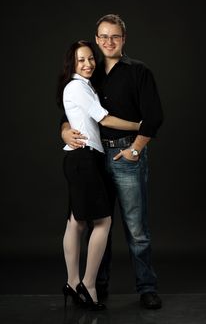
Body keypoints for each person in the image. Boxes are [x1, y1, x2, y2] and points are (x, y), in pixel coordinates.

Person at [61, 14, 163, 309]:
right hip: (93, 158)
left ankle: (146, 287)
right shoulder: (88, 73)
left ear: (123, 39)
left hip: (125, 155)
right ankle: (96, 284)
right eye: (103, 37)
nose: (108, 42)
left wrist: (136, 148)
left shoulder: (138, 71)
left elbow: (154, 117)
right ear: (96, 39)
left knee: (136, 228)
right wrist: (66, 131)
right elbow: (68, 115)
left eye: (114, 37)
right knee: (98, 223)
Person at [56, 40, 141, 310]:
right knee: (102, 222)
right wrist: (140, 125)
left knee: (76, 223)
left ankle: (72, 283)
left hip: (80, 158)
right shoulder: (77, 86)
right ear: (72, 62)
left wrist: (66, 128)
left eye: (91, 59)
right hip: (84, 160)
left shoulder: (82, 85)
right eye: (81, 60)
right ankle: (87, 285)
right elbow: (104, 120)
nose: (88, 64)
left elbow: (74, 117)